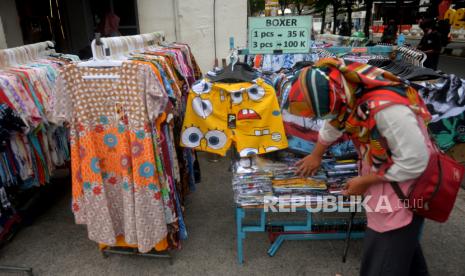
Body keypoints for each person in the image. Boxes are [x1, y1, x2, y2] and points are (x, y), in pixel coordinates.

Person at [292, 58, 430, 276]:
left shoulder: (387, 109)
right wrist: (316, 154)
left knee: (385, 253)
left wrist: (364, 181)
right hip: (386, 182)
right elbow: (335, 120)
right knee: (403, 249)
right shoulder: (352, 92)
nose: (329, 116)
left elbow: (415, 161)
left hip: (404, 189)